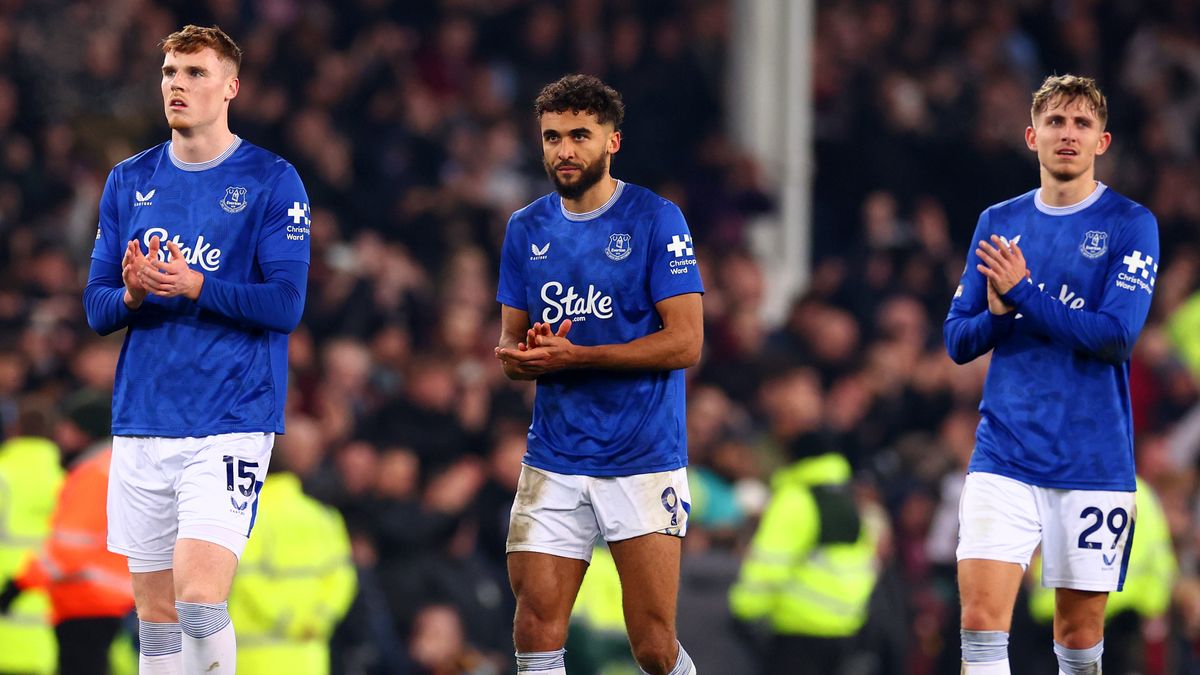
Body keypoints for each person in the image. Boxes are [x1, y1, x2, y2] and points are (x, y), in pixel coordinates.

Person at [82, 24, 310, 674]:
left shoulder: (272, 179)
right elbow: (96, 307)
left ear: (231, 86)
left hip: (231, 419)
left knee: (200, 601)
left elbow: (285, 304)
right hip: (143, 420)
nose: (178, 85)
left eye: (195, 73)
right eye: (170, 74)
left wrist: (194, 285)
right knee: (155, 624)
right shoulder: (129, 180)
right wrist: (129, 294)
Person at [944, 74, 1160, 674]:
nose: (1068, 134)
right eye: (1056, 123)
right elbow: (958, 340)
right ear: (1031, 136)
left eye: (1081, 124)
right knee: (982, 626)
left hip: (1092, 458)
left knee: (1078, 641)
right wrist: (998, 316)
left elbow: (1116, 336)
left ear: (1103, 142)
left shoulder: (1130, 223)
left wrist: (1024, 296)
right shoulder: (997, 222)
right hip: (1004, 453)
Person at [494, 74, 704, 675]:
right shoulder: (525, 229)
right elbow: (511, 343)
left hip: (641, 457)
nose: (564, 150)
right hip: (554, 457)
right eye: (553, 137)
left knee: (653, 646)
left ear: (613, 141)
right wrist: (520, 357)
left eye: (580, 135)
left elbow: (686, 341)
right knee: (535, 629)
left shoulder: (656, 219)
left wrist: (577, 358)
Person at [2, 392, 135, 675]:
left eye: (67, 426)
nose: (60, 433)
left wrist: (19, 585)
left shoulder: (92, 474)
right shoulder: (111, 469)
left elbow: (68, 549)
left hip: (84, 598)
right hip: (107, 597)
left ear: (84, 431)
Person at [729, 433, 880, 674]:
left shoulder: (795, 499)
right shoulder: (847, 499)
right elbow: (867, 560)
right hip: (845, 628)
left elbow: (769, 563)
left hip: (797, 630)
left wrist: (745, 610)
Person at [226, 419, 356, 675]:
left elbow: (243, 576)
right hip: (309, 655)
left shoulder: (242, 515)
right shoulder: (325, 517)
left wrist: (286, 620)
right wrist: (318, 620)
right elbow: (343, 578)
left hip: (251, 657)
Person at [0, 401, 65, 674]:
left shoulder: (4, 476)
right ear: (54, 435)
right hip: (46, 608)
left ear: (13, 431)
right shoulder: (65, 482)